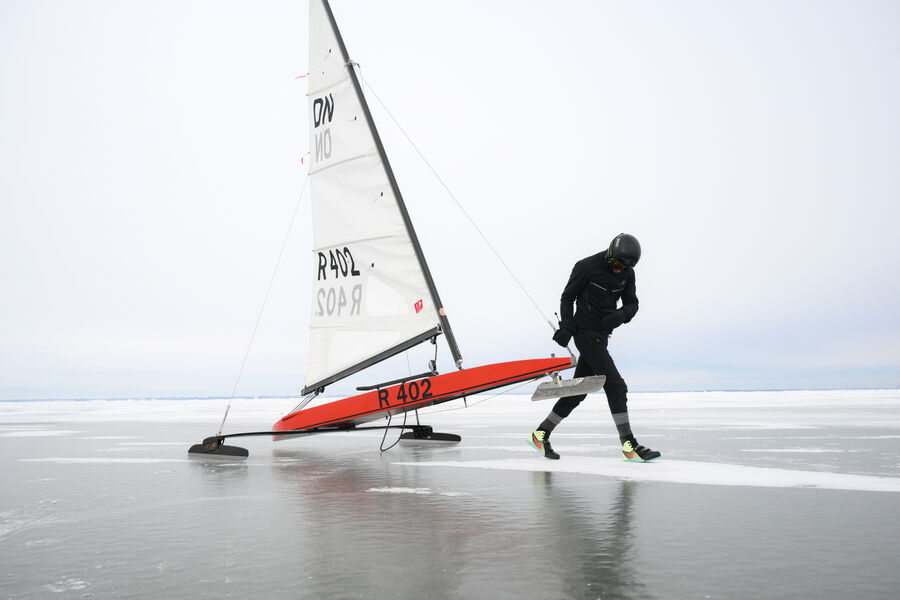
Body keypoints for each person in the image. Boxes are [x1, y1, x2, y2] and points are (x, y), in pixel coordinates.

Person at [528, 233, 661, 462]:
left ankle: (541, 434)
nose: (620, 270)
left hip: (602, 335)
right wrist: (567, 326)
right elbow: (567, 297)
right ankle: (629, 445)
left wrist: (620, 315)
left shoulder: (627, 274)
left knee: (579, 391)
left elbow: (632, 303)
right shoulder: (586, 267)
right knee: (616, 386)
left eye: (625, 267)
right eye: (617, 265)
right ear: (610, 255)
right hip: (585, 334)